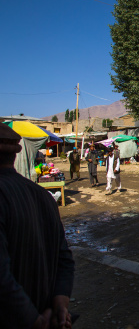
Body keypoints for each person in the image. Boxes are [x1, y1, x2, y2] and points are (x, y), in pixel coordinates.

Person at [0, 123, 75, 329]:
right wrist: (61, 302)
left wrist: (32, 319)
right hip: (47, 314)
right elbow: (64, 258)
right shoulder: (43, 196)